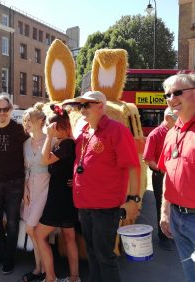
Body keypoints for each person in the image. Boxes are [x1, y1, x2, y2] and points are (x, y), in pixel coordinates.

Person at [72, 91, 140, 282]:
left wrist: (134, 199)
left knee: (105, 256)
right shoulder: (84, 131)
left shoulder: (116, 130)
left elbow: (133, 166)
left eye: (86, 105)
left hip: (105, 207)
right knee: (92, 252)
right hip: (84, 205)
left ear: (101, 106)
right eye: (80, 106)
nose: (82, 110)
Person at [36, 104, 80, 282]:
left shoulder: (66, 144)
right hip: (66, 197)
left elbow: (44, 160)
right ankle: (74, 278)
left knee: (40, 235)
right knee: (70, 237)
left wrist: (49, 137)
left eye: (52, 127)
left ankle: (50, 278)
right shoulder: (65, 143)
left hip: (59, 198)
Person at [158, 73, 195, 282]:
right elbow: (168, 174)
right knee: (190, 273)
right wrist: (165, 211)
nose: (171, 99)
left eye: (177, 92)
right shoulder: (172, 132)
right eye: (167, 95)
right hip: (177, 218)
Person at [0, 95, 29, 274]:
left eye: (5, 109)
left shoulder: (18, 129)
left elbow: (31, 150)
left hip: (15, 182)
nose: (2, 113)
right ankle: (3, 253)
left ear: (11, 110)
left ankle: (10, 257)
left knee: (12, 222)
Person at [21, 103, 49, 282]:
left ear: (41, 121)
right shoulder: (25, 143)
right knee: (32, 230)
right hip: (30, 188)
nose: (26, 123)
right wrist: (25, 189)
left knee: (32, 228)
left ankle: (44, 269)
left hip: (45, 187)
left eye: (29, 119)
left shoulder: (51, 139)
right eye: (25, 120)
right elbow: (25, 169)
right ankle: (40, 267)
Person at [143, 107, 177, 251]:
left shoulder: (177, 132)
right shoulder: (155, 134)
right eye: (176, 118)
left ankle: (173, 233)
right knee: (161, 206)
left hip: (175, 176)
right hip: (160, 175)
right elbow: (148, 159)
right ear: (168, 118)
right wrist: (161, 169)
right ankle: (163, 236)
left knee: (176, 207)